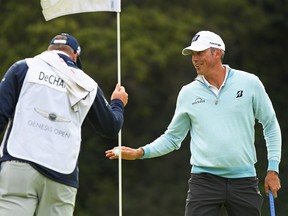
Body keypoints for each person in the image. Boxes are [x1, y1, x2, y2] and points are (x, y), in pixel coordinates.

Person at [106, 30, 281, 216]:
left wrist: (273, 170)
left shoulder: (249, 83)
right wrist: (140, 152)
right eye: (193, 54)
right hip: (204, 182)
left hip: (243, 179)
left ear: (218, 53)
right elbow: (173, 138)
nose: (195, 59)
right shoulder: (188, 93)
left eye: (200, 53)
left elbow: (270, 125)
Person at [0, 33, 128, 216]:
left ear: (48, 50)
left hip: (19, 162)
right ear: (76, 56)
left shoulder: (23, 67)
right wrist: (118, 103)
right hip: (62, 173)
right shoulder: (88, 83)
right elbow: (111, 127)